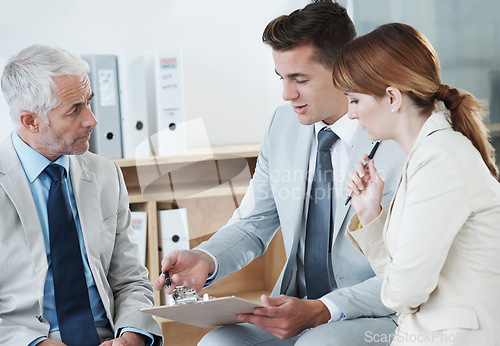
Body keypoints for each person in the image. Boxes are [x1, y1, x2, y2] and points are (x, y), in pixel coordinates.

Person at [154, 1, 406, 345]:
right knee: (217, 343)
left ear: (343, 69)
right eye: (282, 78)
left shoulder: (397, 140)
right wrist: (206, 259)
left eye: (299, 79)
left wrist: (322, 309)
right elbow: (253, 222)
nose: (287, 94)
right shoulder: (282, 125)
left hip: (376, 313)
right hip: (293, 308)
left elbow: (408, 272)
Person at [333, 22, 500, 345]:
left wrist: (398, 289)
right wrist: (370, 214)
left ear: (392, 97)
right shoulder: (429, 156)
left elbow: (403, 293)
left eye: (354, 100)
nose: (351, 115)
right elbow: (399, 287)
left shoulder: (440, 159)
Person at [0, 44, 163, 346]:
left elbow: (130, 279)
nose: (92, 120)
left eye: (88, 102)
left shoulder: (106, 174)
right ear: (30, 121)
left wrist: (131, 336)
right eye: (75, 109)